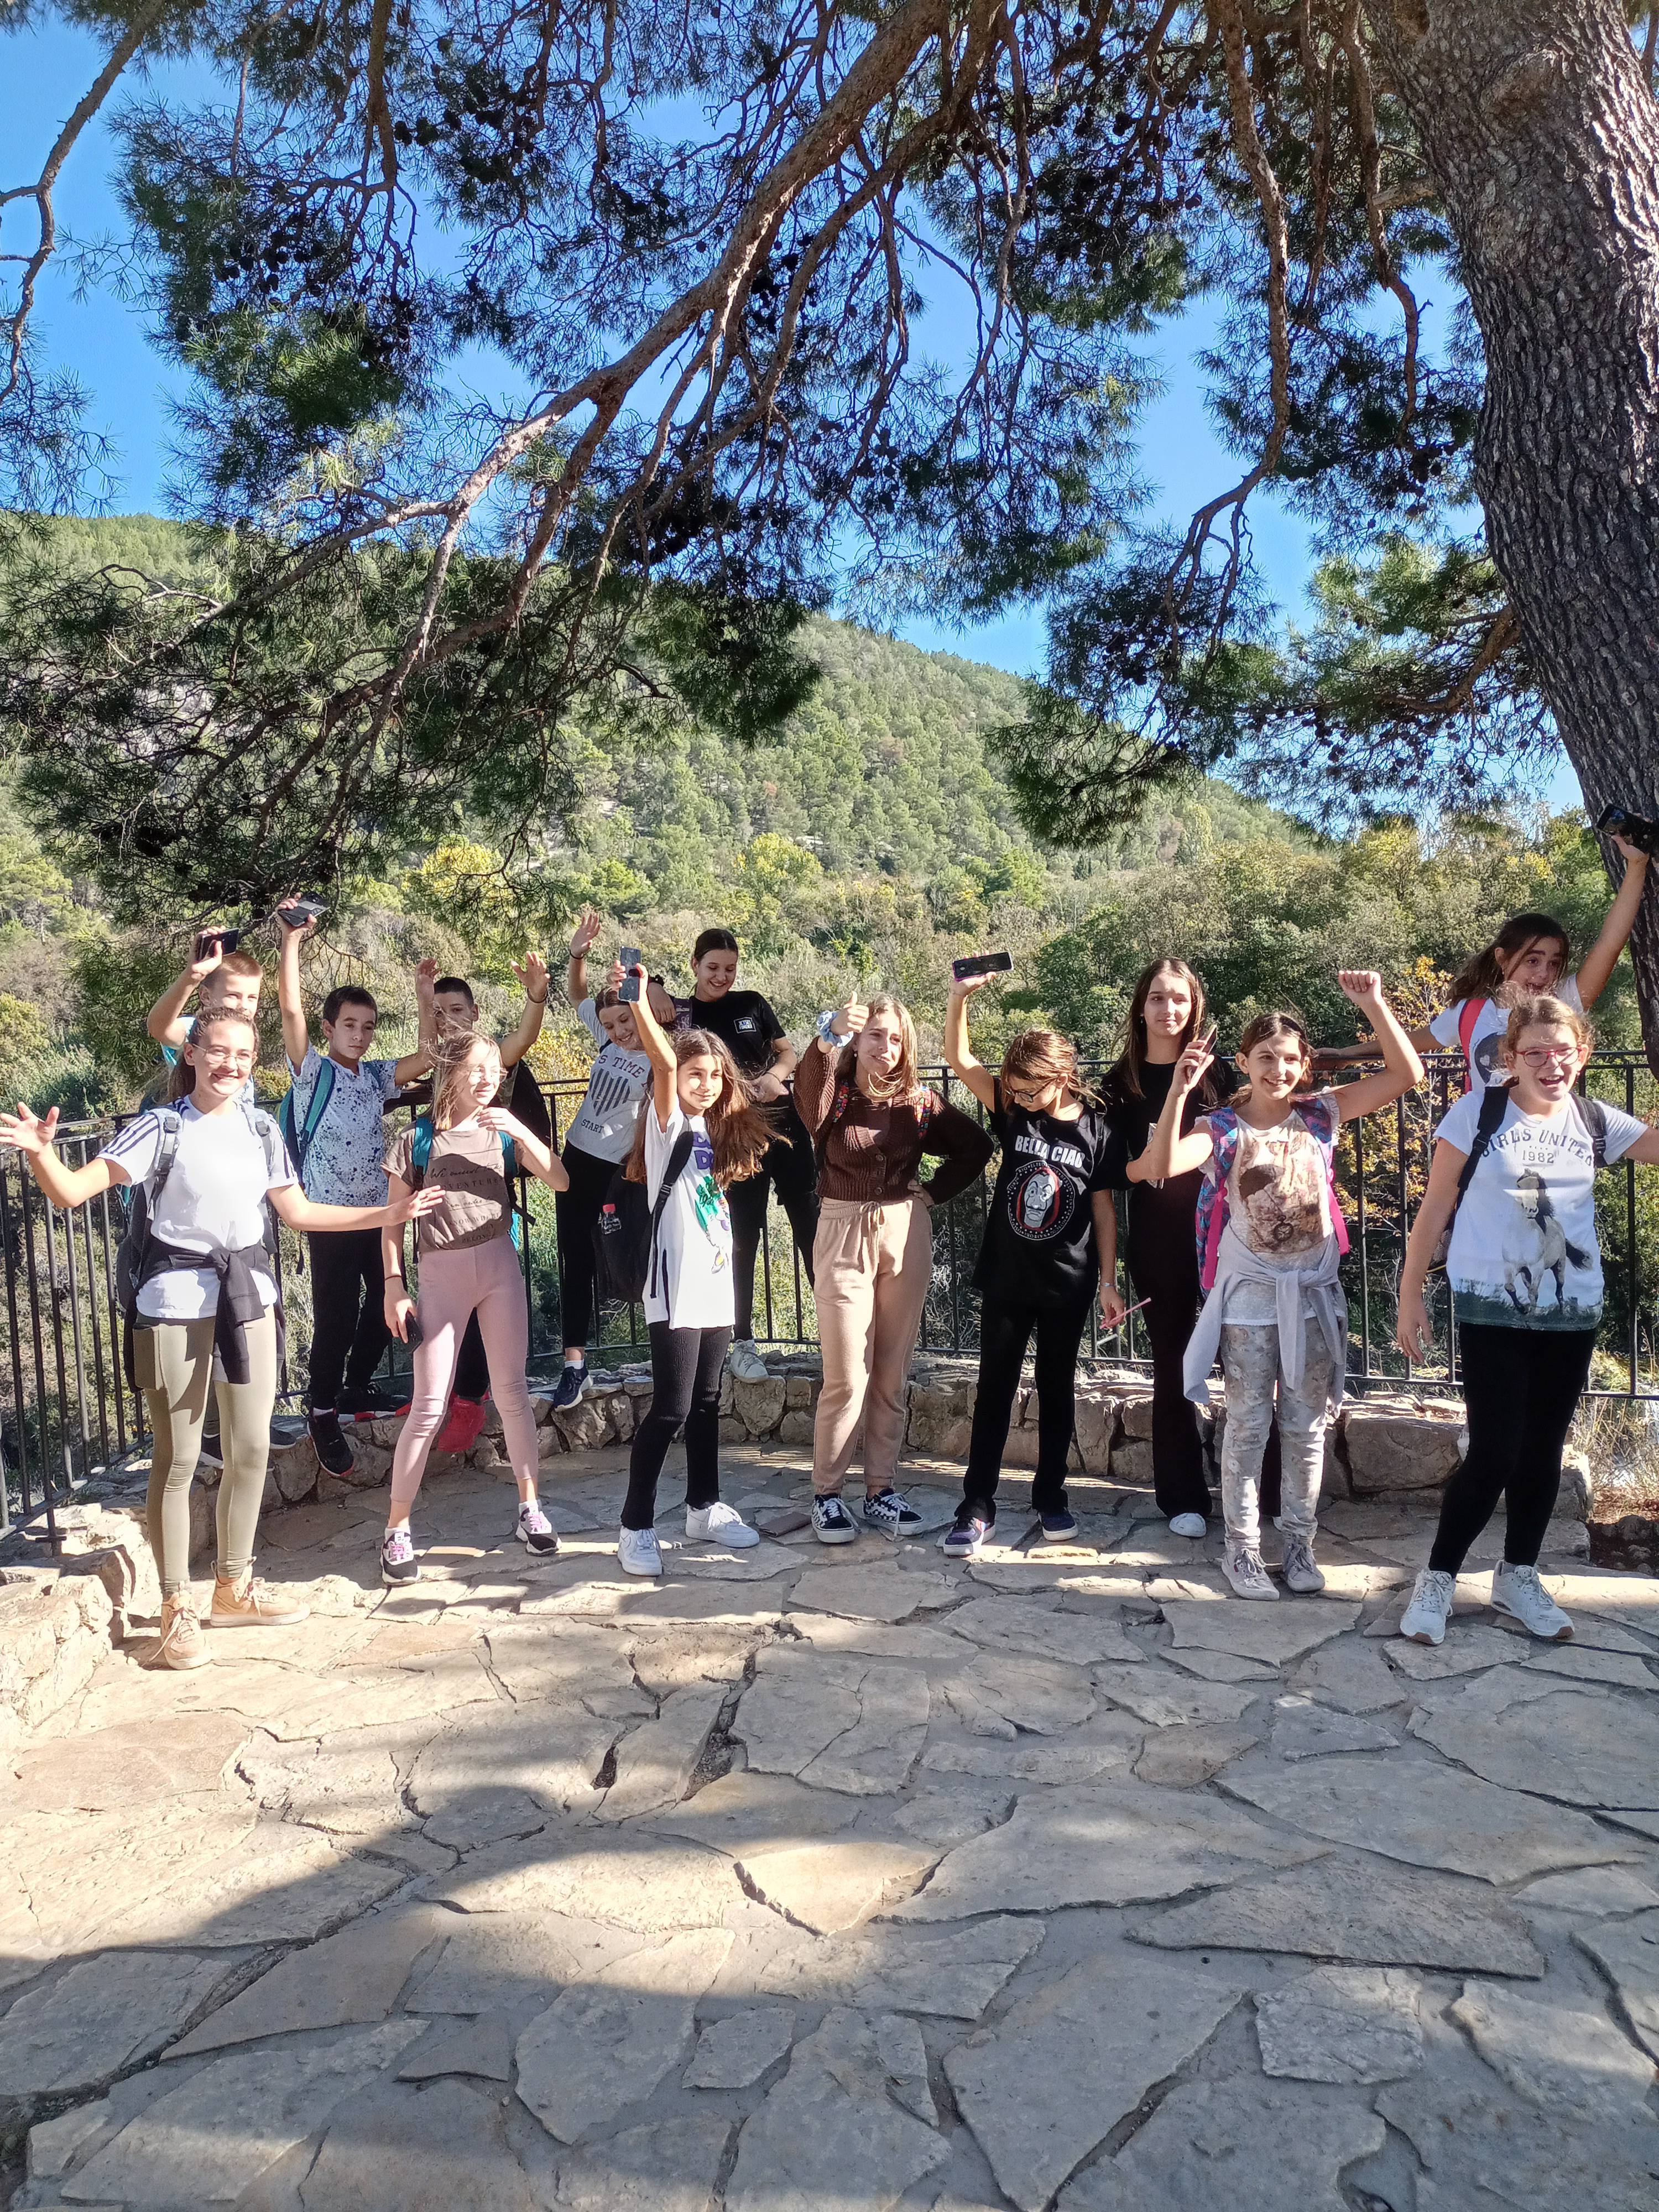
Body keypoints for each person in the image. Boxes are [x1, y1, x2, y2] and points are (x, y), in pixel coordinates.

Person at [0, 1013, 437, 1668]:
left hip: (248, 1299)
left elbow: (298, 1211)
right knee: (179, 1458)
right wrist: (41, 1153)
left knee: (252, 1448)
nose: (230, 1064)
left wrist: (390, 1213)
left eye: (242, 1054)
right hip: (174, 1304)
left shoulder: (261, 1130)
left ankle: (233, 1588)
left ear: (253, 1060)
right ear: (193, 1054)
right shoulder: (162, 1128)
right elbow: (70, 1194)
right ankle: (176, 1607)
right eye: (217, 1051)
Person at [1142, 973, 1423, 1601]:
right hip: (1250, 1298)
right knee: (1247, 1426)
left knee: (1305, 1428)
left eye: (1291, 1059)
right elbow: (1159, 1166)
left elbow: (1407, 1075)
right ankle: (1241, 1550)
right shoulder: (1221, 1127)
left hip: (1313, 1294)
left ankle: (1299, 1543)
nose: (1280, 1069)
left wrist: (1374, 1005)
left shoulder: (1320, 1113)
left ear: (1304, 1065)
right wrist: (1179, 1092)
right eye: (1266, 1057)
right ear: (1244, 1062)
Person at [1394, 995, 1658, 1646]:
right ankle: (1438, 1578)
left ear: (1583, 1054)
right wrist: (1409, 1293)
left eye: (1562, 1050)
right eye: (1534, 1052)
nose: (1550, 1063)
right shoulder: (1477, 1112)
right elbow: (1434, 1208)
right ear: (1510, 1056)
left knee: (1542, 1450)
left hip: (1571, 1311)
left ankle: (1518, 1574)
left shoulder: (1595, 1120)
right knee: (1495, 1450)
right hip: (1492, 1307)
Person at [795, 994, 994, 1543]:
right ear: (858, 1041)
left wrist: (933, 1192)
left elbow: (976, 1146)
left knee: (890, 1372)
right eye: (876, 1035)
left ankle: (880, 1489)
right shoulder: (837, 1095)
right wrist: (827, 1037)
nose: (886, 1047)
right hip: (842, 1232)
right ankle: (827, 1494)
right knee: (847, 1375)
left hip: (905, 1235)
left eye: (896, 1038)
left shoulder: (920, 1102)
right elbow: (808, 1101)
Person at [941, 973, 1125, 1557]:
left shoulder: (1097, 1130)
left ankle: (1051, 1496)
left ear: (1061, 1078)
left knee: (1056, 1388)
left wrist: (1109, 1281)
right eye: (1013, 1091)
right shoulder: (1011, 1109)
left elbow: (1104, 1208)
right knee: (994, 1389)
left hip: (1068, 1283)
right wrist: (960, 998)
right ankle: (977, 1504)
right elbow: (960, 1058)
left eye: (1028, 1091)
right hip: (1007, 1275)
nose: (1017, 1099)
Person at [378, 1031, 571, 1585]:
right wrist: (394, 1285)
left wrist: (522, 1132)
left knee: (512, 1393)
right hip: (441, 1274)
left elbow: (560, 1180)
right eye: (478, 1068)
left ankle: (531, 1508)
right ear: (451, 1070)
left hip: (499, 1267)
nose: (489, 1079)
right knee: (428, 1405)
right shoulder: (415, 1140)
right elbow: (392, 1222)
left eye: (496, 1070)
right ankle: (396, 1530)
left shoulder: (503, 1131)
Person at [1102, 959, 1284, 1538]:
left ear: (1194, 1006)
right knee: (1174, 1363)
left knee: (1250, 1362)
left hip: (1230, 1237)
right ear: (1141, 1007)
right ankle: (1181, 1496)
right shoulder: (1120, 1083)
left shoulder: (1221, 1072)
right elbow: (1112, 1174)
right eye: (1158, 997)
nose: (1169, 1009)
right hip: (1158, 1239)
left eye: (1179, 998)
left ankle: (1269, 1491)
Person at [615, 968, 776, 1575]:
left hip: (713, 1280)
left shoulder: (715, 1129)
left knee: (708, 1401)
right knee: (672, 1407)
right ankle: (635, 1525)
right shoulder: (667, 1125)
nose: (705, 1085)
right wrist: (641, 1005)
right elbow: (661, 1064)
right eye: (694, 1074)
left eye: (714, 1076)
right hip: (675, 1283)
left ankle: (703, 1508)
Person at [277, 907, 437, 1475]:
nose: (360, 1034)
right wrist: (291, 943)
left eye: (368, 1026)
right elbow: (290, 1011)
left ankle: (355, 1387)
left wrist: (424, 996)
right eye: (350, 1024)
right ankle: (322, 1408)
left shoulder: (373, 1077)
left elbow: (428, 1056)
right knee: (337, 1317)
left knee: (388, 1306)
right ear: (329, 1029)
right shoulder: (312, 1073)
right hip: (328, 1218)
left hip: (380, 1212)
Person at [418, 954, 553, 1453]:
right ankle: (447, 1395)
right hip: (440, 1212)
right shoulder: (438, 1066)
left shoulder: (490, 1060)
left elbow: (523, 1037)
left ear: (474, 1013)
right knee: (444, 1308)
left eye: (457, 1010)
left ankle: (471, 1398)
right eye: (440, 1014)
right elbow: (426, 1050)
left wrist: (536, 995)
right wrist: (423, 1003)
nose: (448, 1020)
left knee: (489, 1302)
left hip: (490, 1205)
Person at [673, 928, 818, 1380]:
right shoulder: (683, 1014)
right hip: (733, 1135)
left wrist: (775, 1076)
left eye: (730, 968)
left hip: (785, 1125)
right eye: (713, 967)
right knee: (740, 1238)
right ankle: (743, 1343)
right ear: (695, 964)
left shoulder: (753, 1002)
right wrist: (652, 985)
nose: (722, 976)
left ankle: (838, 1336)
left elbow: (787, 1052)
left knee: (811, 1227)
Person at [549, 910, 674, 1412]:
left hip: (620, 1171)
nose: (620, 1031)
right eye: (610, 1024)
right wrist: (577, 954)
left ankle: (670, 1355)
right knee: (575, 1259)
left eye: (625, 1020)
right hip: (576, 1159)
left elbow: (666, 1014)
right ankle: (574, 1364)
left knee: (636, 1258)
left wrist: (648, 989)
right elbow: (577, 994)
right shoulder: (606, 1040)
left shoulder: (662, 1057)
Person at [1404, 836, 1649, 1089]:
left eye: (1554, 964)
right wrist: (1370, 1043)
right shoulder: (1468, 1012)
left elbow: (1610, 943)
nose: (1544, 973)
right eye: (1532, 960)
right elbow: (1405, 1043)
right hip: (1483, 1118)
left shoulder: (1563, 1001)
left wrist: (1637, 865)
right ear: (1502, 958)